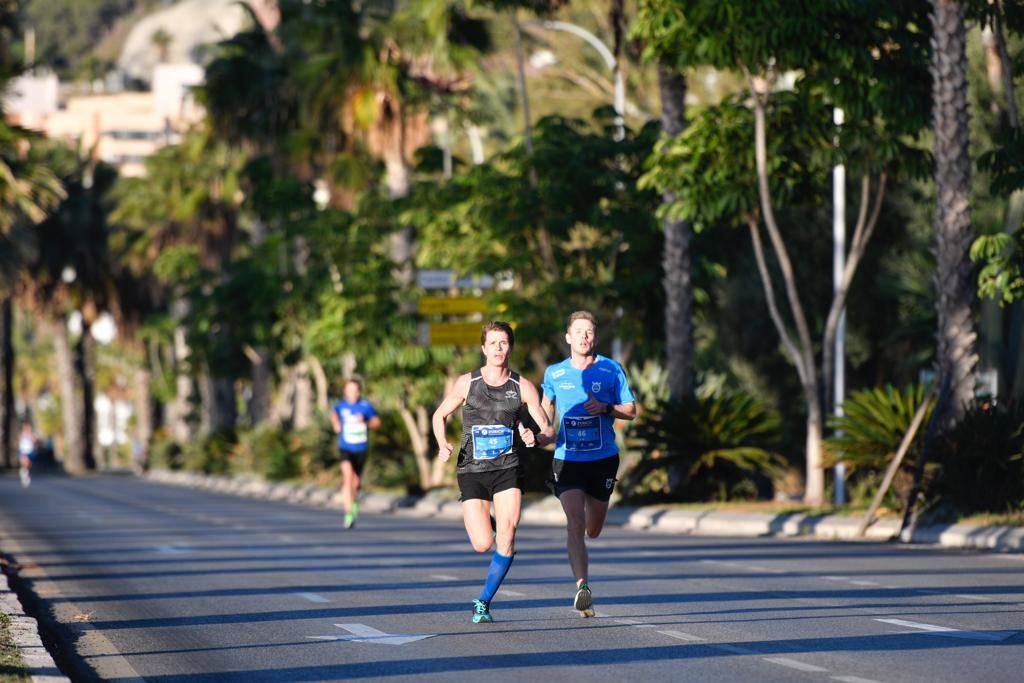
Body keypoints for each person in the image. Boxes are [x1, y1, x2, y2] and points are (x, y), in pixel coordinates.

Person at [433, 321, 553, 624]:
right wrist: (441, 443)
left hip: (507, 468)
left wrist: (536, 437)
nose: (499, 349)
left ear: (510, 347)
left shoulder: (522, 386)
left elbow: (547, 427)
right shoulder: (467, 383)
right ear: (484, 348)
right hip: (472, 470)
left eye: (504, 343)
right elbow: (440, 414)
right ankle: (494, 526)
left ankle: (483, 601)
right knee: (482, 544)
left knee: (508, 537)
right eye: (493, 343)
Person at [541, 311, 636, 617]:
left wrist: (607, 408)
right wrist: (541, 434)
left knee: (592, 529)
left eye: (589, 332)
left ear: (595, 337)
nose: (584, 336)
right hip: (567, 459)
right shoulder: (554, 374)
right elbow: (545, 415)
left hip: (603, 459)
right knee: (575, 524)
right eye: (578, 331)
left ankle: (587, 544)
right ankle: (583, 586)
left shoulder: (611, 369)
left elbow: (631, 410)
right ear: (567, 336)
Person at [330, 378, 381, 529]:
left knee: (356, 483)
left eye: (355, 390)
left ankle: (354, 503)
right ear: (345, 391)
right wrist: (336, 424)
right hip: (345, 447)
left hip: (361, 448)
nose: (352, 393)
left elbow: (377, 423)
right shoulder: (341, 405)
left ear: (359, 391)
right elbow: (334, 413)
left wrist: (365, 421)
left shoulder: (366, 406)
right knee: (348, 477)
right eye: (349, 390)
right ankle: (348, 514)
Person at [18, 423, 36, 488]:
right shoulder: (22, 434)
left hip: (30, 451)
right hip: (23, 451)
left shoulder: (32, 434)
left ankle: (25, 472)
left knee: (29, 464)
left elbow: (34, 441)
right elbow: (20, 441)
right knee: (26, 462)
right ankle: (24, 472)